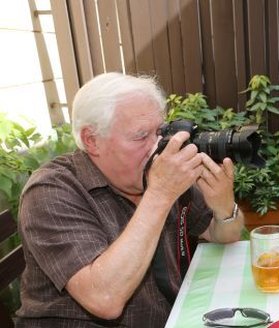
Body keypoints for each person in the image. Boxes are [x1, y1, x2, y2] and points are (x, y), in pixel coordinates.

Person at [16, 72, 245, 327]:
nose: (157, 145)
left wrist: (223, 205)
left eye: (160, 132)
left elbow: (224, 236)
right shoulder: (50, 191)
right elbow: (105, 298)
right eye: (140, 136)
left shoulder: (156, 174)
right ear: (91, 141)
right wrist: (159, 194)